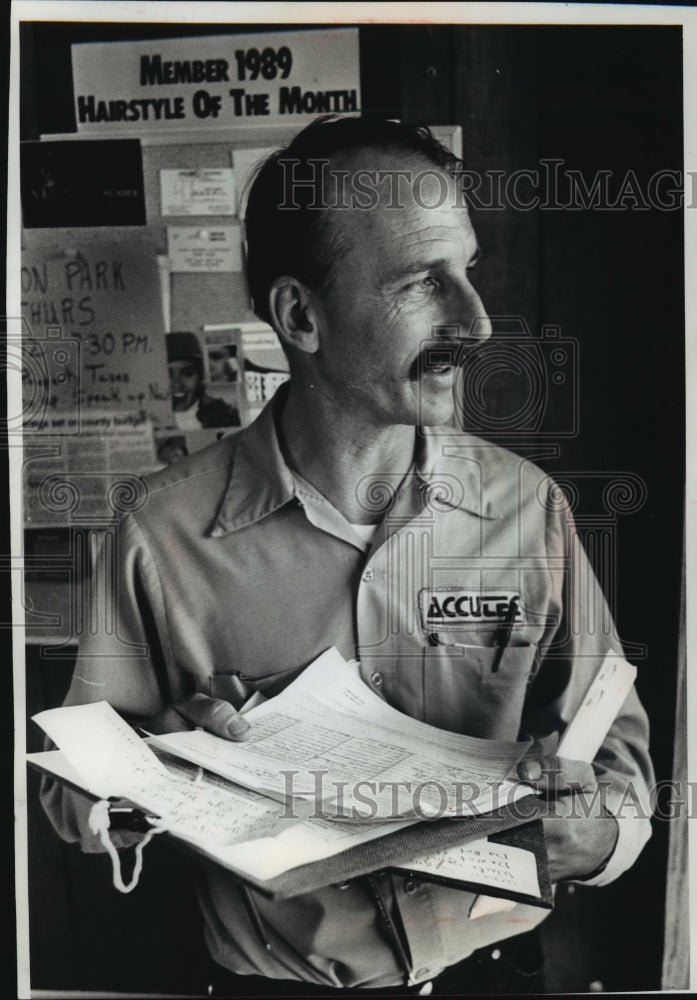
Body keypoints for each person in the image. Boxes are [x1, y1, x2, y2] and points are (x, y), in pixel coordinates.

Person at [41, 117, 653, 995]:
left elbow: (618, 754)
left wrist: (596, 838)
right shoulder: (159, 530)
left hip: (495, 974)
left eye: (468, 270)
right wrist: (160, 774)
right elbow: (73, 797)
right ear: (301, 315)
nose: (476, 323)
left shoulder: (528, 507)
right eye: (421, 283)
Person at [167, 331, 241, 429]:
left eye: (188, 374)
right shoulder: (146, 420)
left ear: (199, 377)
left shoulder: (224, 417)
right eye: (168, 375)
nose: (177, 384)